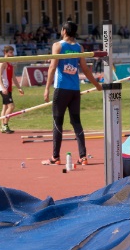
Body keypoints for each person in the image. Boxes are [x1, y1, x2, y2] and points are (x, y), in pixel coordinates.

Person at [42, 21, 103, 166]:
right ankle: (83, 156)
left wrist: (46, 89)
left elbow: (52, 67)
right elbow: (86, 70)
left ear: (63, 31)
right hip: (75, 90)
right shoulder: (79, 47)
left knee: (58, 122)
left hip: (61, 89)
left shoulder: (58, 46)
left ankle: (55, 157)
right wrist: (97, 85)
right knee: (76, 122)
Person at [0, 45, 25, 134]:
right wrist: (3, 87)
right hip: (3, 88)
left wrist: (19, 88)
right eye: (10, 53)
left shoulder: (10, 64)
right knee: (11, 106)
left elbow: (13, 77)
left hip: (9, 88)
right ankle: (5, 125)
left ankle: (3, 127)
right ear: (5, 53)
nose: (12, 54)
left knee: (5, 108)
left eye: (13, 52)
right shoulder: (2, 63)